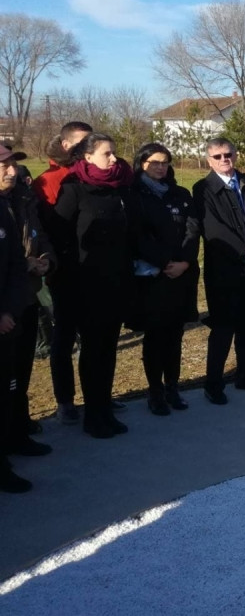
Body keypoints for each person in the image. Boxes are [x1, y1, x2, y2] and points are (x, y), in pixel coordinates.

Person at [52, 134, 136, 438]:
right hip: (85, 286)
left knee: (108, 349)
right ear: (87, 158)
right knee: (92, 350)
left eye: (114, 153)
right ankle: (93, 415)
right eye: (106, 154)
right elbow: (59, 236)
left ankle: (104, 408)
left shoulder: (121, 188)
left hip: (116, 282)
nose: (114, 159)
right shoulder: (73, 188)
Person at [193, 138, 245, 405]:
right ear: (209, 160)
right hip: (225, 270)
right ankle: (214, 384)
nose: (223, 160)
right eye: (217, 156)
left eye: (228, 154)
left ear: (236, 154)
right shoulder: (203, 188)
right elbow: (212, 228)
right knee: (223, 328)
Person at [131, 143, 200, 415]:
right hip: (152, 276)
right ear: (142, 163)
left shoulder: (180, 194)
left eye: (165, 162)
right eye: (154, 162)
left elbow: (193, 231)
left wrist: (184, 262)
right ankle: (155, 391)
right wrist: (163, 263)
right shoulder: (135, 195)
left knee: (175, 335)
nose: (160, 167)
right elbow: (137, 236)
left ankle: (173, 387)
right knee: (155, 336)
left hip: (181, 275)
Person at [34, 121, 92, 425]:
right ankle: (65, 400)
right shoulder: (49, 180)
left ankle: (97, 394)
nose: (88, 148)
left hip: (94, 271)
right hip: (66, 272)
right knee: (64, 336)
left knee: (94, 337)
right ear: (67, 145)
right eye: (83, 143)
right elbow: (47, 229)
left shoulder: (93, 175)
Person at [0, 143, 55, 457]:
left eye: (13, 164)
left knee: (19, 373)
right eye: (5, 166)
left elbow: (39, 234)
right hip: (6, 303)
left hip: (25, 295)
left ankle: (19, 432)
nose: (13, 171)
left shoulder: (22, 196)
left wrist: (46, 258)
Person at [0, 169, 31, 491]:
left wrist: (8, 309)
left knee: (8, 388)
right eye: (3, 163)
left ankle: (7, 452)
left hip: (10, 315)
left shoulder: (5, 208)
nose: (12, 171)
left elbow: (14, 264)